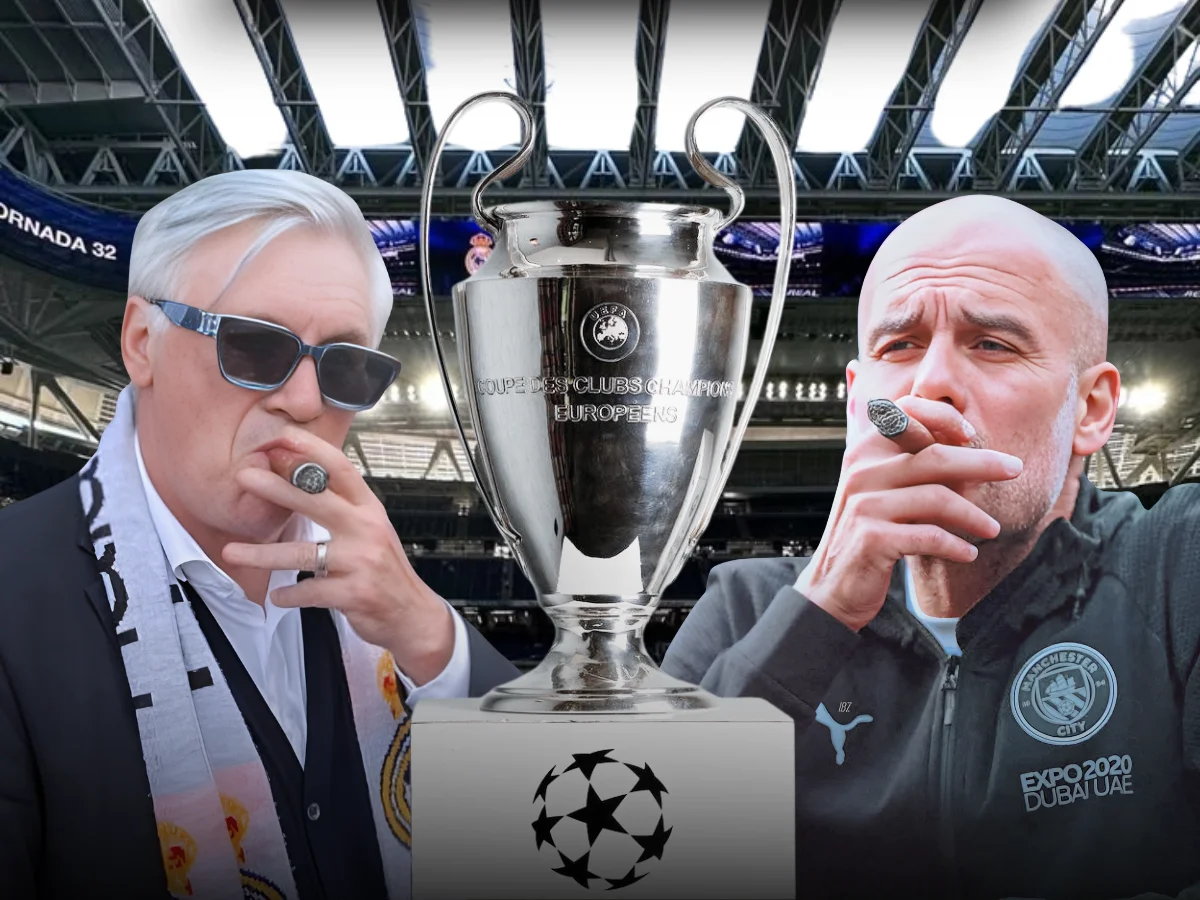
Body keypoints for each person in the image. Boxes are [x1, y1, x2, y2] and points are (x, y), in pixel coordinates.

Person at [662, 195, 1200, 899]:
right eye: (900, 346)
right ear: (860, 403)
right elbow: (641, 852)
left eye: (993, 344)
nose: (931, 384)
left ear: (1092, 410)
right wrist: (818, 611)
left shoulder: (1175, 568)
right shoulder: (746, 609)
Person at [0, 170, 519, 900]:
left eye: (344, 364)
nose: (305, 401)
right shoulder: (12, 597)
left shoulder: (387, 599)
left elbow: (568, 838)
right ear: (142, 342)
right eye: (251, 346)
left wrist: (432, 638)